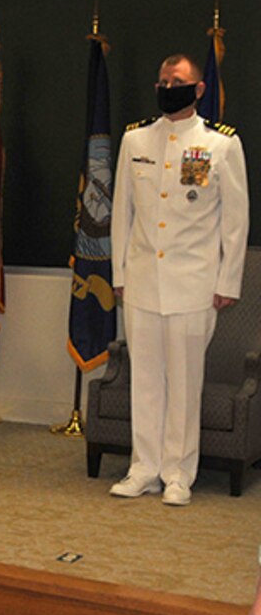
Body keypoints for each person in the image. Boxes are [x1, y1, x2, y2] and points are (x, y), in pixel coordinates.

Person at [109, 53, 249, 506]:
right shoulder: (135, 140)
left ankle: (178, 473)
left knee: (185, 383)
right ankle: (143, 468)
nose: (170, 87)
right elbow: (121, 214)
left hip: (194, 284)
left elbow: (235, 220)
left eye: (180, 81)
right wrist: (119, 274)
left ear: (200, 89)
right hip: (143, 282)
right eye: (164, 80)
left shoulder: (221, 145)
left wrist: (227, 281)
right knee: (145, 381)